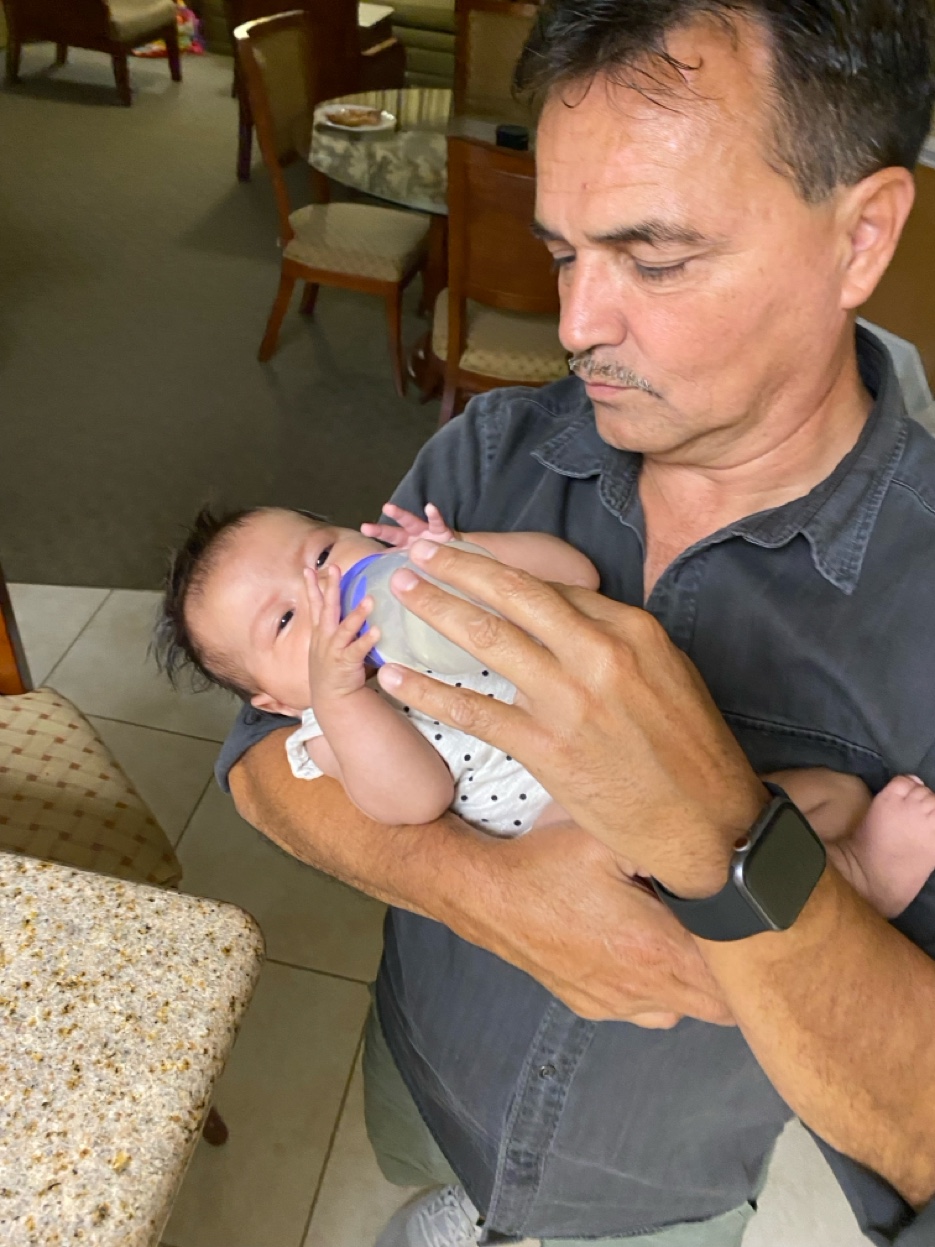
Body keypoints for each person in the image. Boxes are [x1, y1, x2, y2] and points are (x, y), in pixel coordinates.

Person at [216, 2, 935, 1244]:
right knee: (439, 1187)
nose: (574, 326)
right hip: (428, 1072)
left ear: (858, 234)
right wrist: (485, 888)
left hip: (659, 1185)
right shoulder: (487, 454)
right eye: (561, 252)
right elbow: (263, 752)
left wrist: (730, 847)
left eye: (652, 257)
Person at [160, 501, 935, 919]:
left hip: (662, 757)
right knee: (661, 882)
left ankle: (825, 862)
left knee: (832, 792)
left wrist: (463, 554)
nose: (326, 596)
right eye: (287, 622)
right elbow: (413, 797)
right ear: (272, 701)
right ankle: (854, 880)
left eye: (321, 556)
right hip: (575, 829)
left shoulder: (430, 594)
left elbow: (575, 574)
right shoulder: (327, 728)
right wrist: (342, 691)